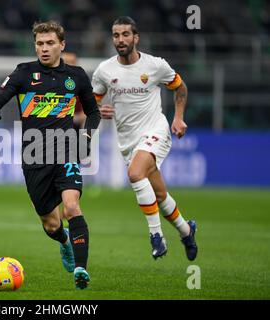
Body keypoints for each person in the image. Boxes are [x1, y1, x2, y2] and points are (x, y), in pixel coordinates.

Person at [0, 21, 101, 289]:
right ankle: (64, 242)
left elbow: (93, 113)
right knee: (51, 224)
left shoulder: (77, 76)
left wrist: (86, 136)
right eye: (40, 44)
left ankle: (81, 269)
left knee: (72, 207)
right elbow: (1, 96)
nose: (44, 48)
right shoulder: (24, 73)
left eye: (50, 43)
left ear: (62, 45)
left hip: (66, 150)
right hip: (34, 156)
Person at [92, 16, 198, 261]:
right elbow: (90, 104)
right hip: (128, 141)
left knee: (135, 174)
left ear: (136, 38)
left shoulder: (155, 65)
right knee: (160, 196)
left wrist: (178, 117)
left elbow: (180, 88)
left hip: (156, 130)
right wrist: (97, 111)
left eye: (126, 34)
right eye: (116, 35)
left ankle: (156, 236)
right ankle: (186, 230)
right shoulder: (104, 71)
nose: (121, 39)